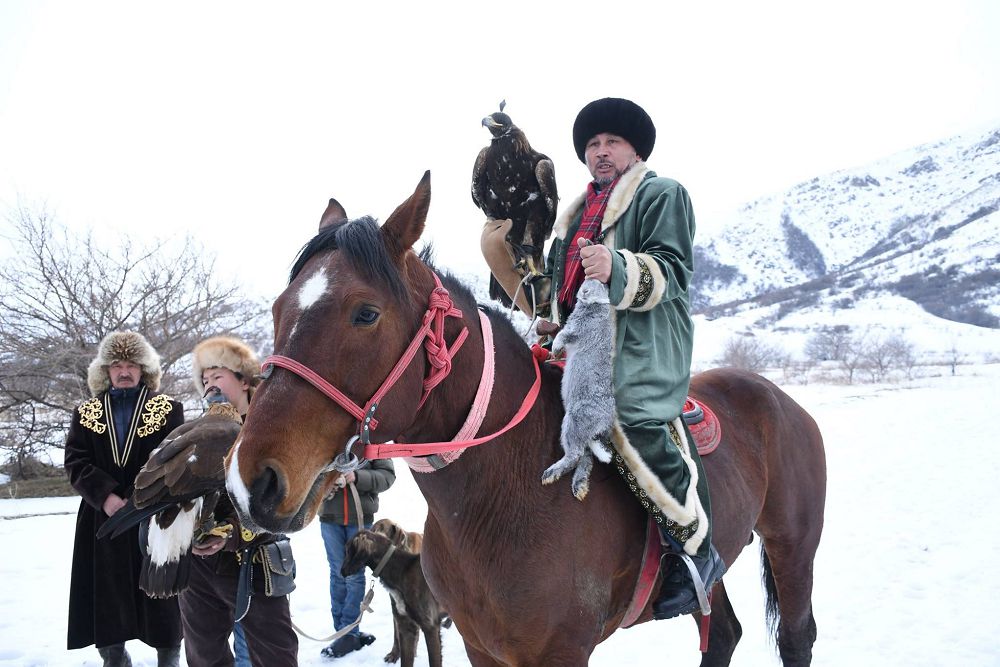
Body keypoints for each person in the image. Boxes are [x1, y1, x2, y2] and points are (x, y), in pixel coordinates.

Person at [494, 98, 726, 619]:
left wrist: (617, 267)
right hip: (581, 352)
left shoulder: (661, 195)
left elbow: (672, 271)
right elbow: (567, 292)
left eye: (612, 142)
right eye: (593, 144)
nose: (601, 152)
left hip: (640, 352)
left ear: (634, 149)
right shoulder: (572, 219)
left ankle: (696, 552)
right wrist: (555, 318)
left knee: (631, 425)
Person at [65, 330, 184, 667]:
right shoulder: (86, 412)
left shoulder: (168, 409)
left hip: (157, 514)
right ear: (106, 370)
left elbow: (173, 458)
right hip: (102, 517)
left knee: (161, 591)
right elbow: (75, 461)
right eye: (116, 364)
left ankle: (169, 657)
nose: (124, 371)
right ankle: (113, 657)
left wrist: (141, 498)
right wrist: (105, 497)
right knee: (107, 591)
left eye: (132, 364)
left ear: (144, 368)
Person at [178, 335, 298, 666]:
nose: (209, 385)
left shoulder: (275, 430)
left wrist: (229, 532)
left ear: (244, 381)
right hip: (199, 567)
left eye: (217, 376)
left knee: (275, 656)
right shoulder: (195, 433)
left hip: (255, 558)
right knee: (203, 656)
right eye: (204, 380)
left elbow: (281, 501)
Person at [318, 458, 395, 658]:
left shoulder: (371, 439)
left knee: (353, 575)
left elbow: (387, 476)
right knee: (337, 574)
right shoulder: (327, 437)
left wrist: (357, 477)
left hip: (361, 520)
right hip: (329, 519)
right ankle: (343, 632)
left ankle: (348, 632)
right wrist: (330, 479)